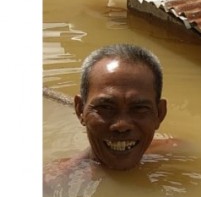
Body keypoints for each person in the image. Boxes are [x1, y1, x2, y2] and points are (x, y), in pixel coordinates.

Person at [44, 43, 180, 189]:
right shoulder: (51, 184)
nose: (122, 125)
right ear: (80, 110)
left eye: (139, 108)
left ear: (159, 113)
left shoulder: (176, 152)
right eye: (105, 107)